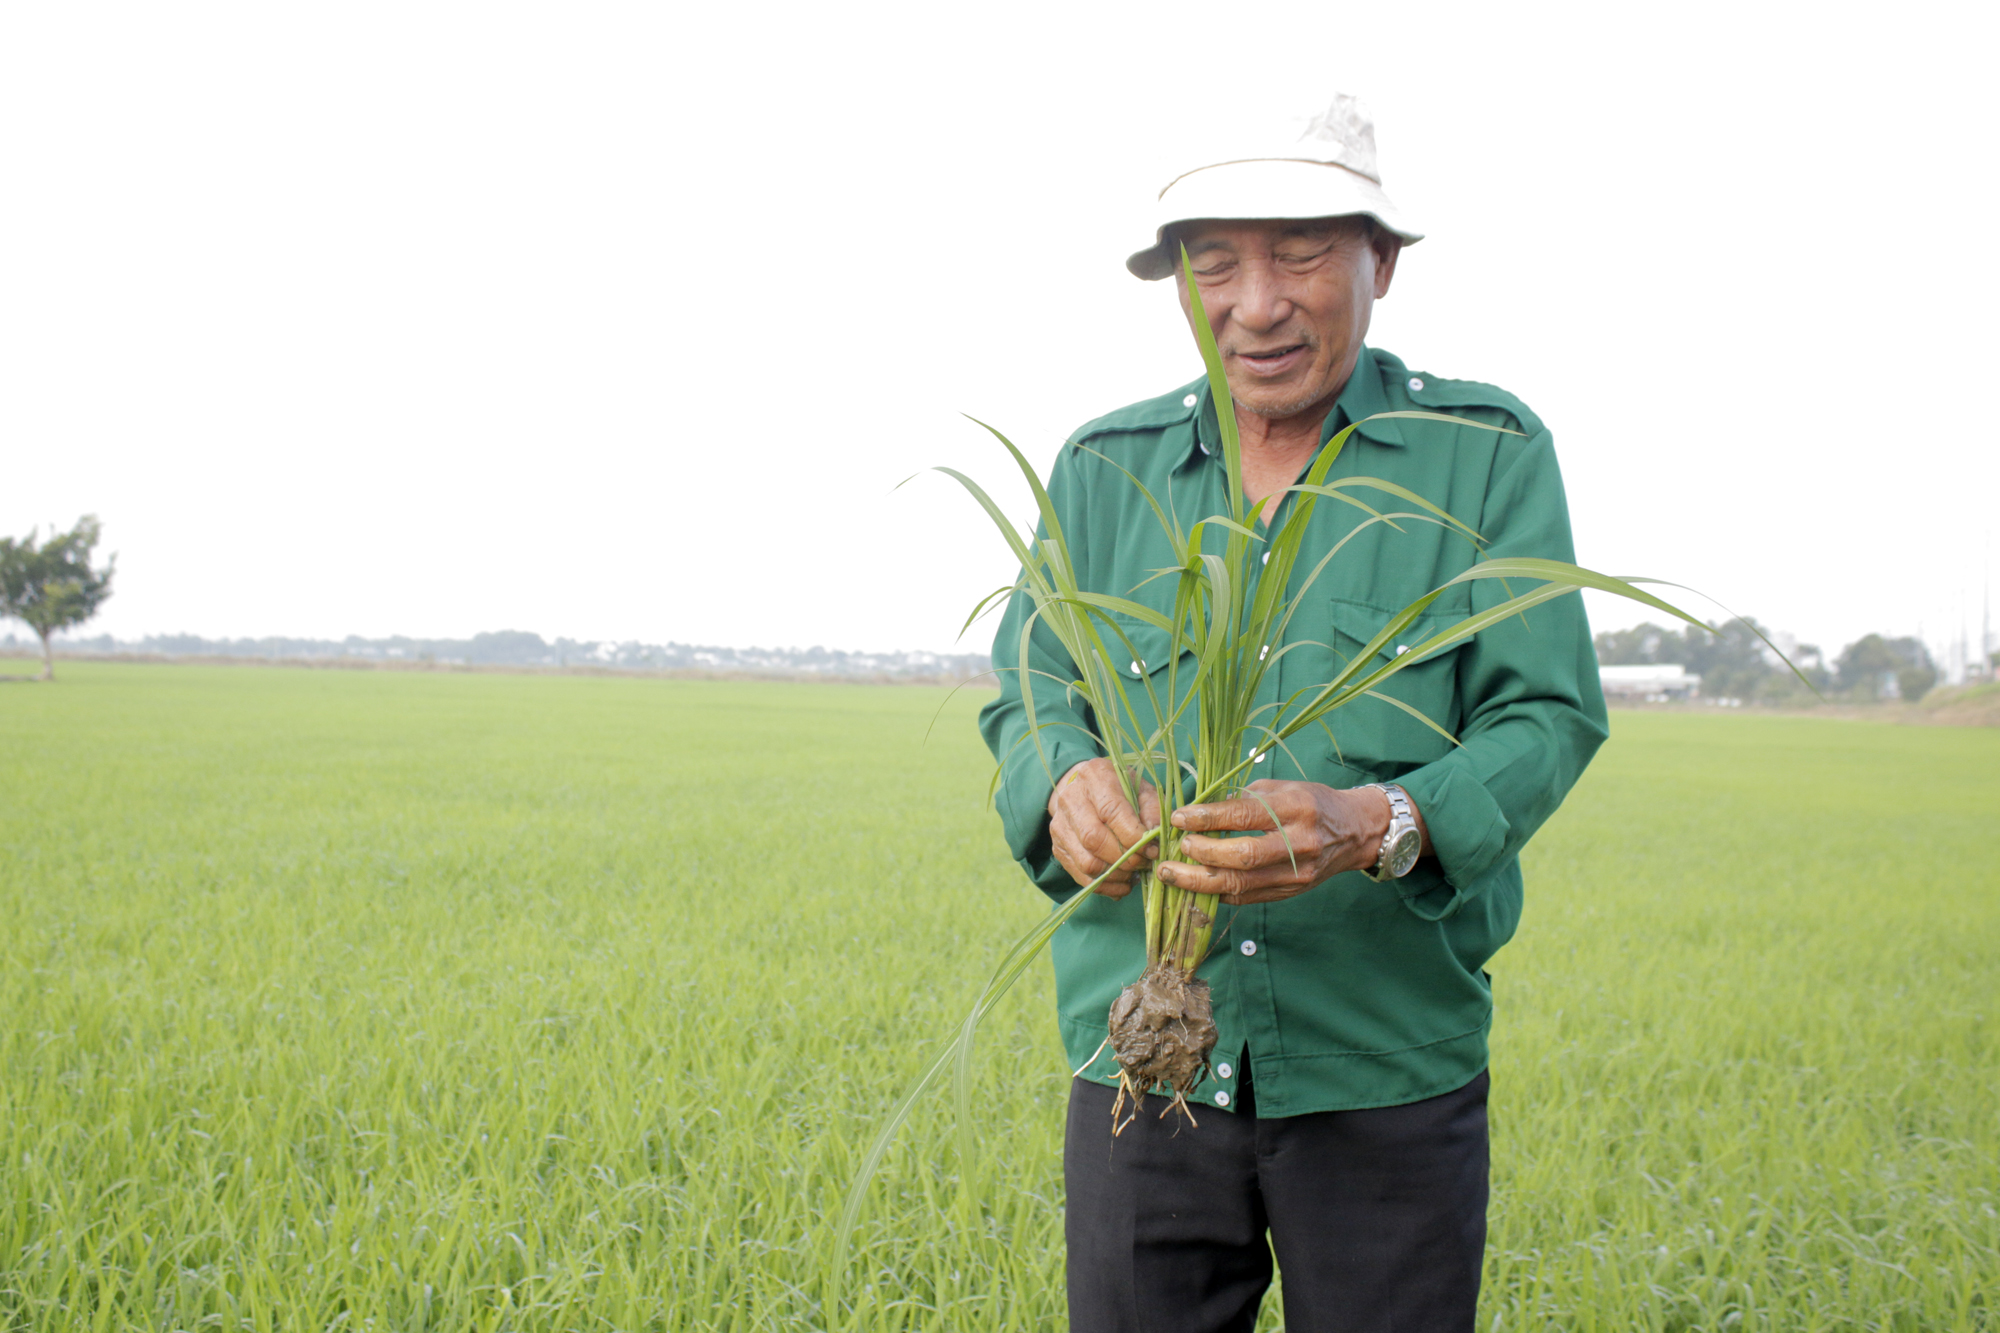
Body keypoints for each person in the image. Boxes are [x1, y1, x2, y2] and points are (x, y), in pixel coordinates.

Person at [977, 95, 1608, 1333]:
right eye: (1213, 260)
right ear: (1174, 282)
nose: (1254, 301)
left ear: (1379, 261)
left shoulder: (1479, 453)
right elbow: (1031, 692)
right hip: (1142, 1062)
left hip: (1384, 1061)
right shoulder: (1106, 471)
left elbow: (1544, 712)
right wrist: (1062, 782)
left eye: (1301, 252)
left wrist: (1379, 820)